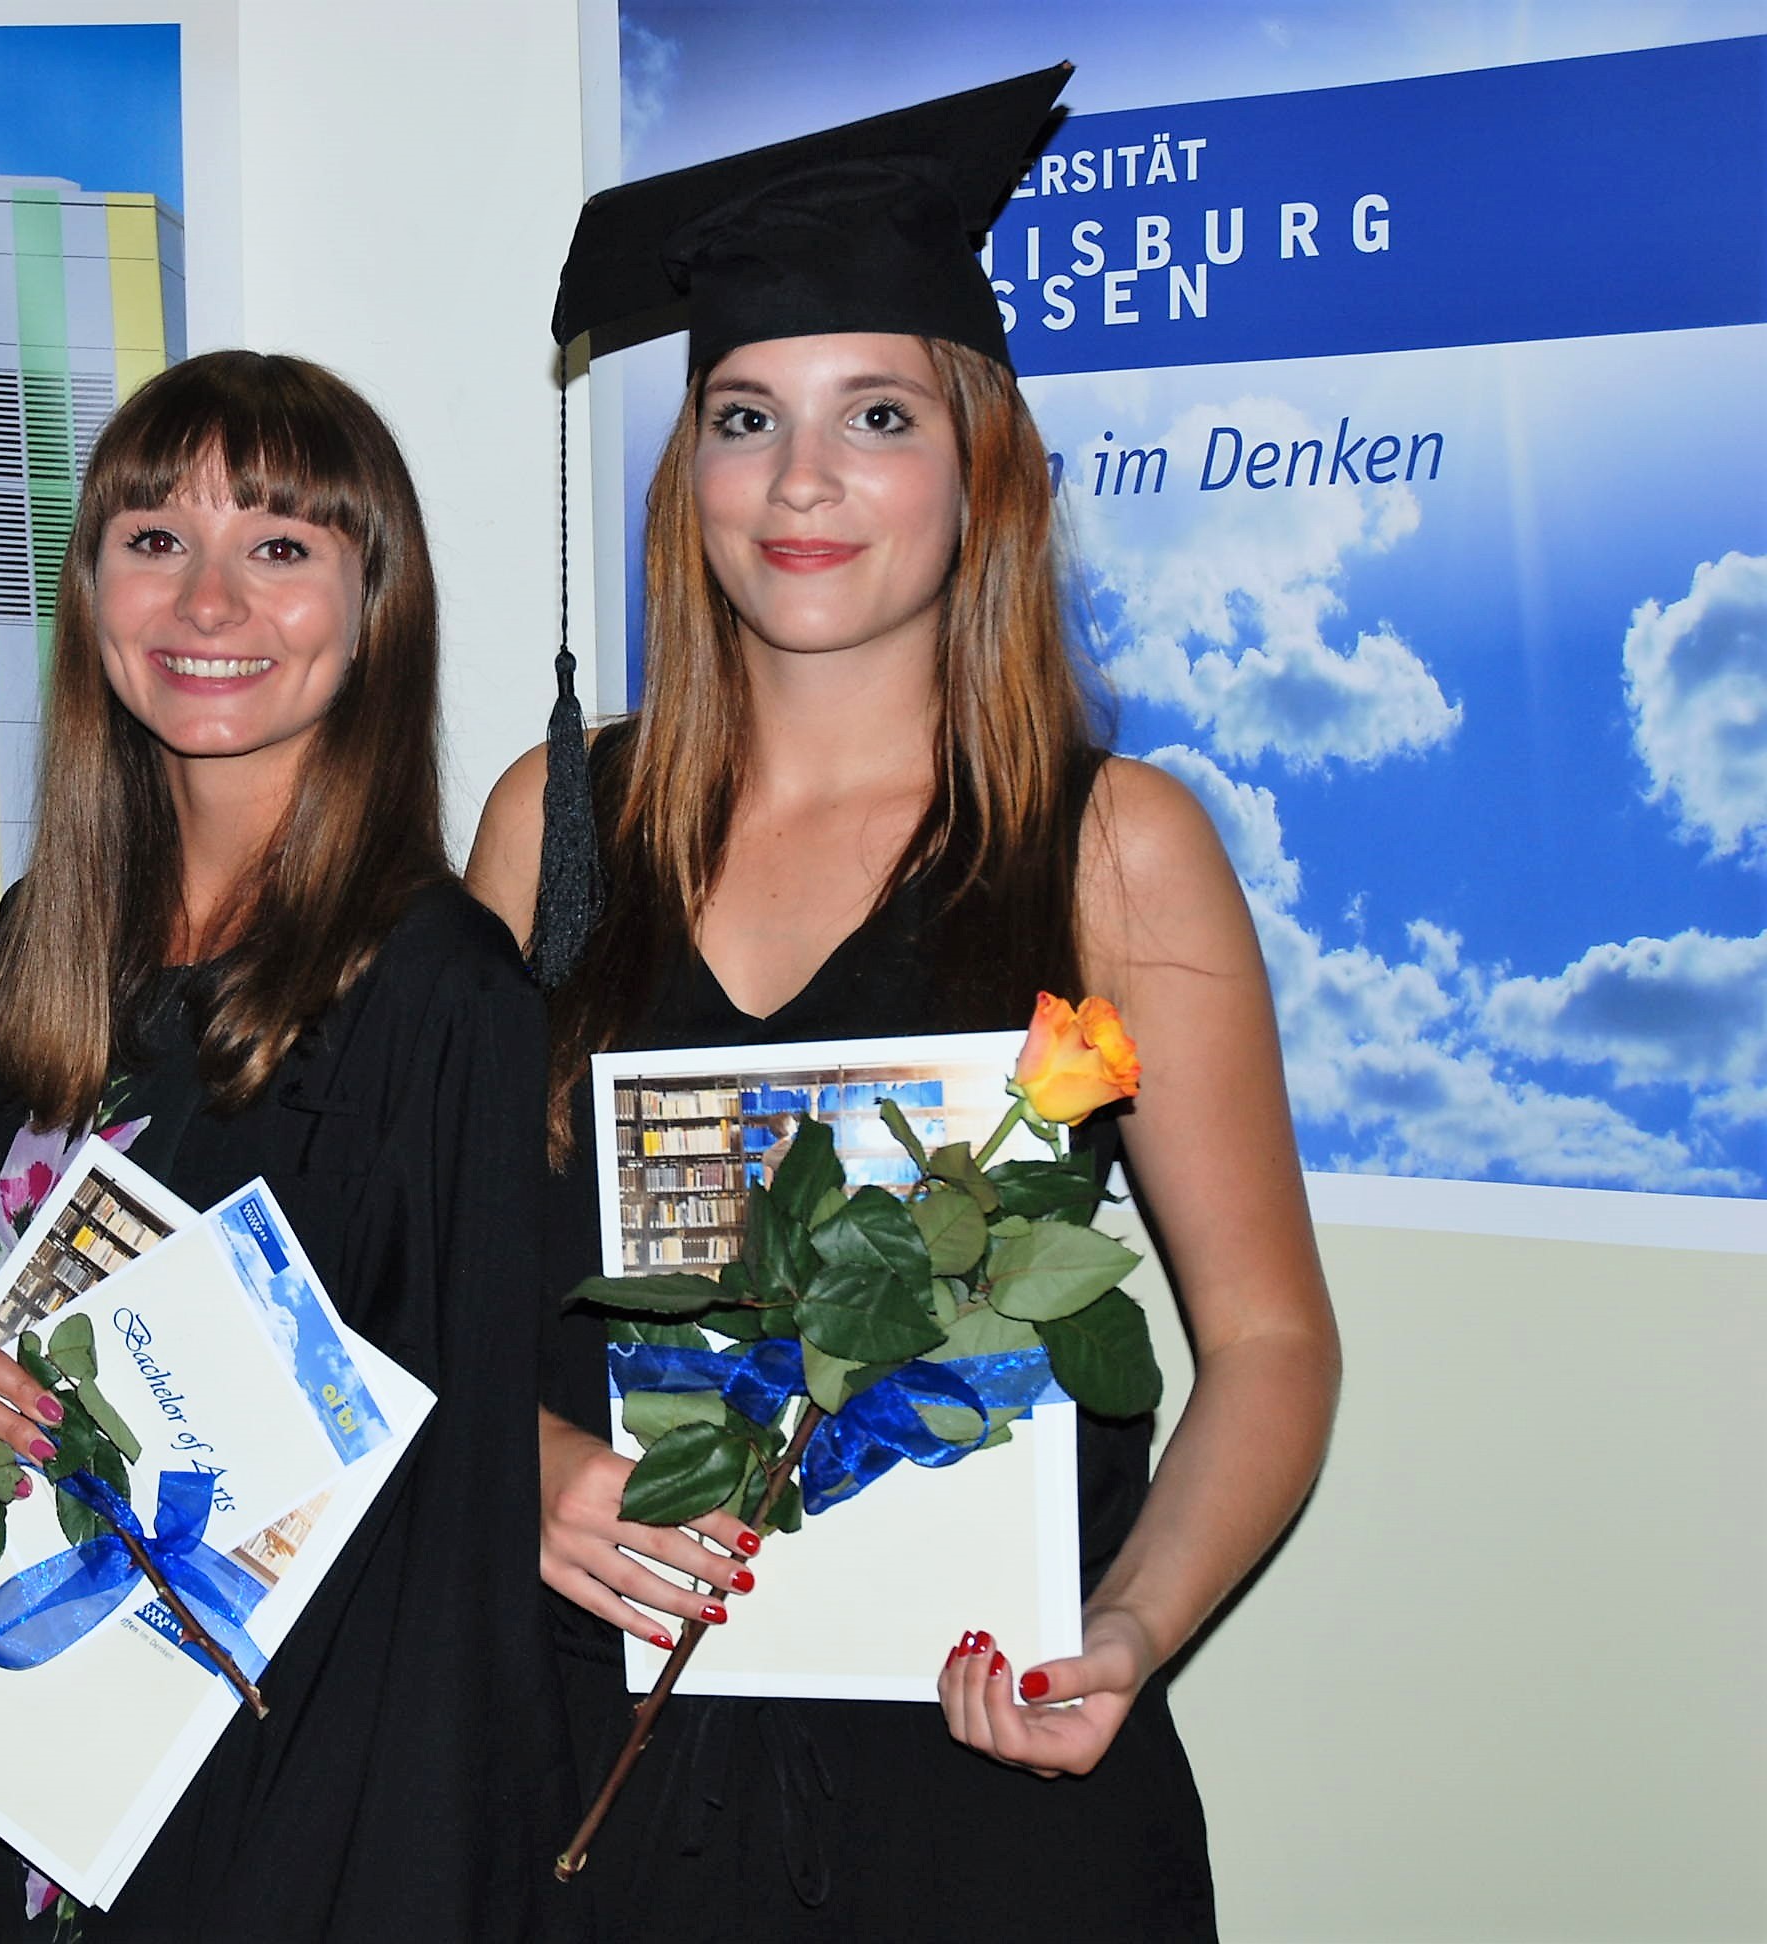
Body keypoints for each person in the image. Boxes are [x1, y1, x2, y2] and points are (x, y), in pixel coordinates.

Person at [465, 69, 1342, 1937]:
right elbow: (425, 1271)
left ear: (980, 470)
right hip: (605, 1777)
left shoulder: (1113, 849)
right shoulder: (554, 828)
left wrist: (1126, 1629)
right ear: (687, 474)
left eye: (878, 415)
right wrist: (521, 1465)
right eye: (745, 419)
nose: (801, 480)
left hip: (981, 1783)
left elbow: (1271, 1343)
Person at [0, 351, 587, 1942]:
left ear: (376, 607)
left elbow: (453, 1557)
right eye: (156, 539)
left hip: (286, 1836)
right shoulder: (44, 947)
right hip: (16, 1779)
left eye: (280, 545)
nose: (208, 600)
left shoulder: (440, 991)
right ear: (92, 591)